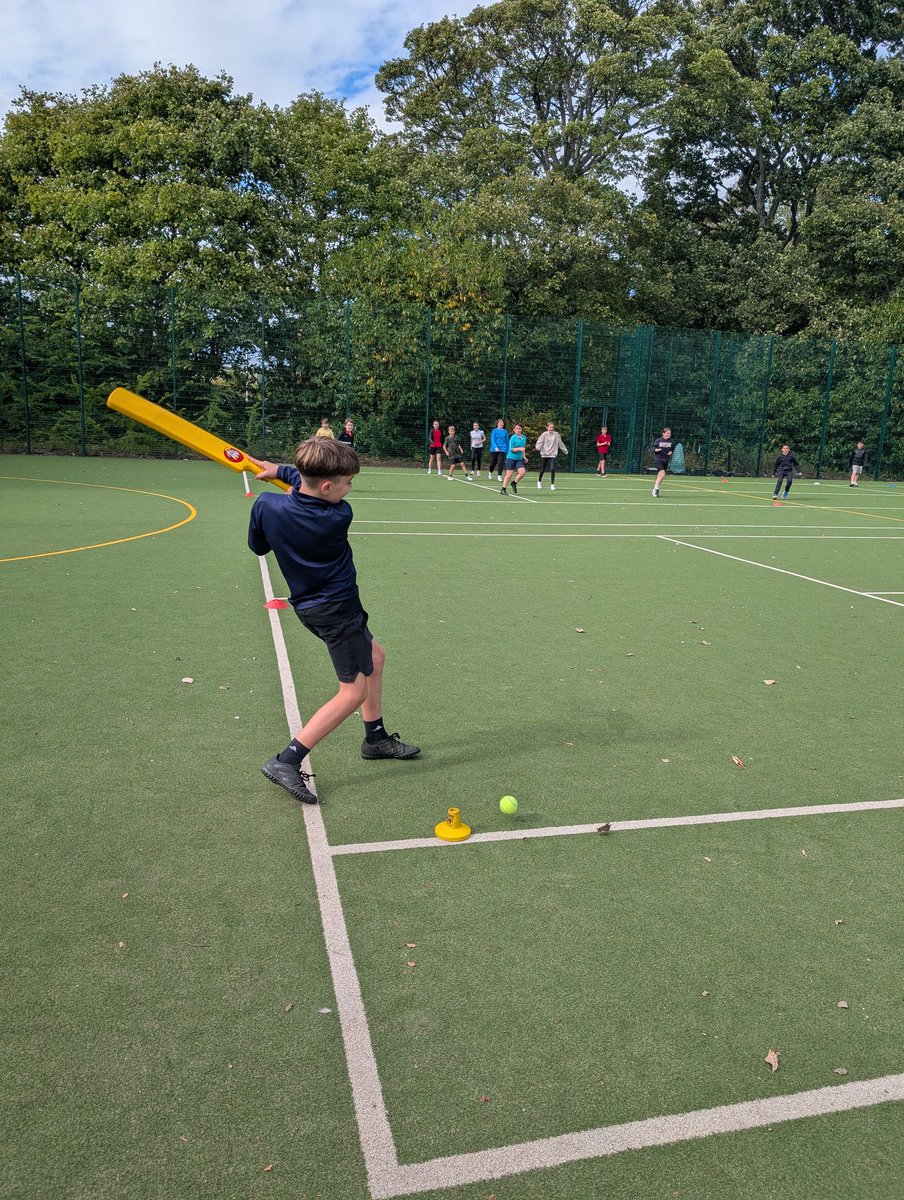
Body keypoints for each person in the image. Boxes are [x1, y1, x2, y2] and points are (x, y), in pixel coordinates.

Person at [248, 437, 420, 805]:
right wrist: (284, 473)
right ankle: (287, 759)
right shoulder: (339, 514)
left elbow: (259, 545)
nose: (349, 488)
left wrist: (279, 471)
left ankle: (375, 738)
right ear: (328, 487)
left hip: (313, 607)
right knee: (352, 691)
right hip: (338, 611)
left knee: (375, 658)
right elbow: (307, 486)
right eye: (346, 483)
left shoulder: (266, 505)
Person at [535, 421, 568, 490]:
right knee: (542, 469)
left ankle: (552, 484)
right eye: (550, 427)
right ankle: (539, 482)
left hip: (552, 454)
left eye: (552, 427)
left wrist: (565, 450)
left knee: (552, 469)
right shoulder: (544, 434)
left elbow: (560, 443)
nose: (551, 428)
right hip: (544, 454)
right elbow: (539, 442)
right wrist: (538, 447)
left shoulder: (556, 435)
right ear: (547, 427)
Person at [501, 423, 527, 495]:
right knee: (509, 474)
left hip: (519, 459)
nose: (518, 430)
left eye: (519, 428)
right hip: (511, 458)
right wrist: (519, 449)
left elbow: (523, 449)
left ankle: (514, 483)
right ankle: (503, 489)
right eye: (516, 428)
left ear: (521, 429)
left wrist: (524, 457)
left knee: (522, 473)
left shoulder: (524, 437)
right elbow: (511, 449)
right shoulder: (513, 438)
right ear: (514, 430)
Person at [651, 427, 673, 497]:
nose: (669, 435)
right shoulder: (658, 441)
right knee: (662, 474)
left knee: (660, 476)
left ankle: (654, 489)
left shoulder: (671, 441)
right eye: (667, 433)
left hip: (666, 460)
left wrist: (671, 452)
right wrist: (655, 450)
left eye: (670, 433)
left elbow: (672, 449)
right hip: (658, 460)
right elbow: (652, 448)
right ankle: (656, 490)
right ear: (663, 433)